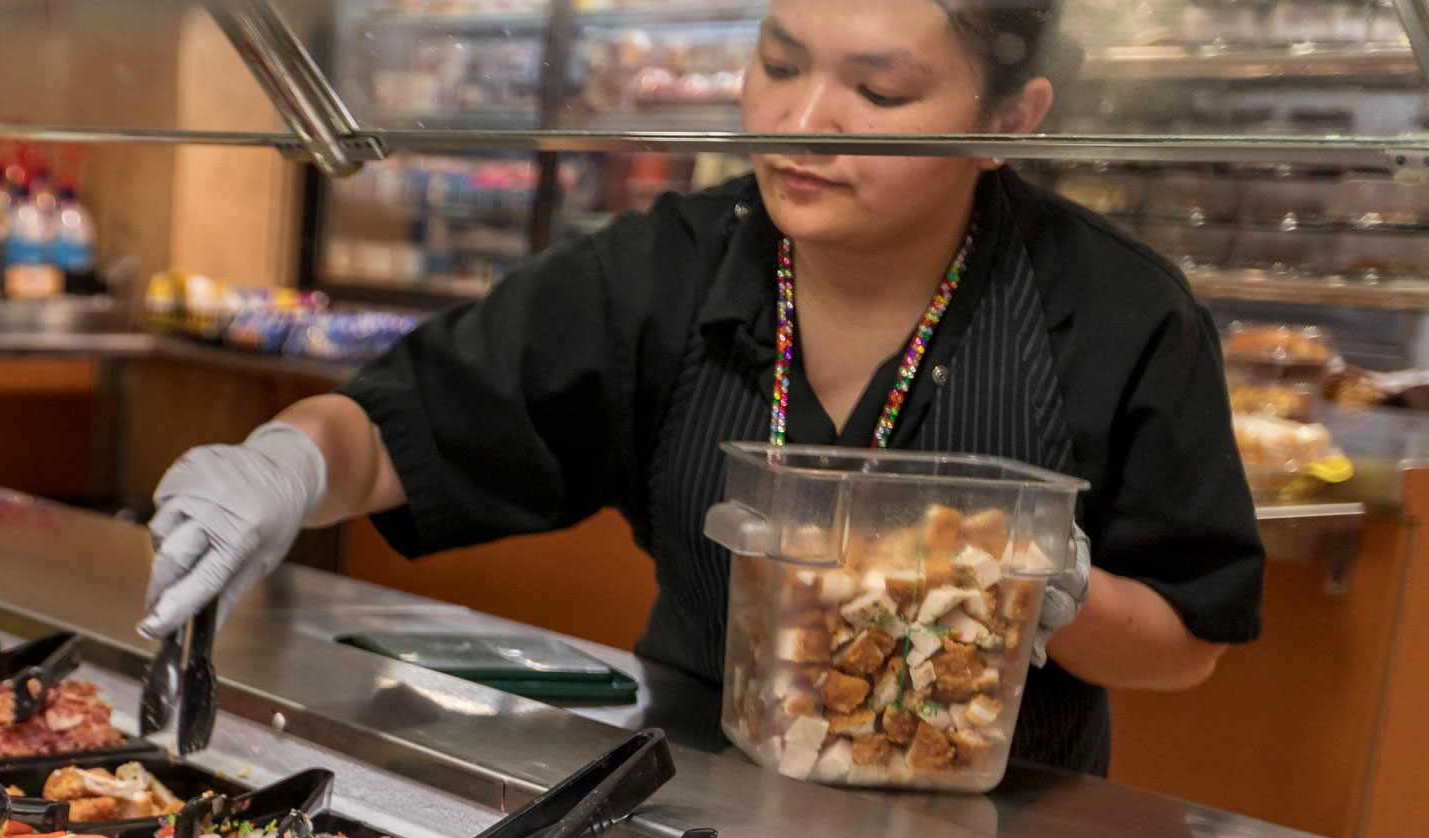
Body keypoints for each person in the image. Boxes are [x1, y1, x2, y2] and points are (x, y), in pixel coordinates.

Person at [139, 0, 1263, 776]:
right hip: (693, 799)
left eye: (876, 90)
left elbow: (1188, 640)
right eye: (779, 63)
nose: (801, 123)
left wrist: (1045, 589)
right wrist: (285, 464)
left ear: (1009, 121)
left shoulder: (1117, 313)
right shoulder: (667, 268)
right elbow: (404, 425)